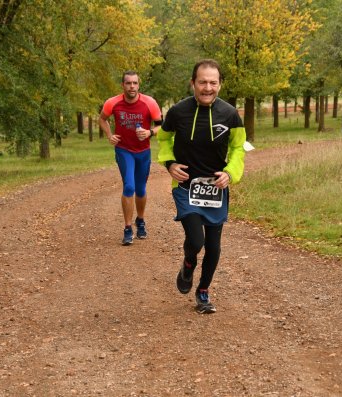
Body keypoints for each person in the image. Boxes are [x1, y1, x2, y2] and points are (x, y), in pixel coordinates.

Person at [157, 59, 246, 314]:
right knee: (196, 240)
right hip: (186, 185)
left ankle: (203, 291)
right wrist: (170, 163)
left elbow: (238, 147)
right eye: (202, 82)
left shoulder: (230, 114)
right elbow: (164, 139)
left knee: (214, 246)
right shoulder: (177, 112)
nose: (208, 87)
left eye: (213, 82)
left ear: (219, 84)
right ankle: (188, 263)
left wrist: (231, 172)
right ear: (193, 83)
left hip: (215, 188)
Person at [99, 71, 163, 245]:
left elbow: (160, 126)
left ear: (139, 85)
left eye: (135, 83)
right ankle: (128, 228)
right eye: (128, 83)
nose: (132, 86)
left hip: (143, 151)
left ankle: (140, 220)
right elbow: (102, 119)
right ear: (123, 85)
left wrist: (149, 132)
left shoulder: (149, 103)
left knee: (141, 189)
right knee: (129, 186)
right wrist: (109, 135)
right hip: (124, 150)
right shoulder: (113, 102)